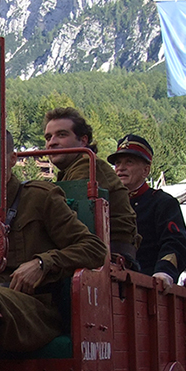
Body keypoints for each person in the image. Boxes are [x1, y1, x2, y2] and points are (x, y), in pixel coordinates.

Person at [0, 126, 107, 371]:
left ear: (12, 159)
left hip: (33, 309)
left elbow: (94, 248)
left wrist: (43, 262)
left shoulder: (38, 198)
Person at [43, 107, 139, 266]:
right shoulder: (72, 169)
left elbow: (65, 216)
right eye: (48, 137)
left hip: (105, 259)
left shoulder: (88, 166)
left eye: (61, 135)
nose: (52, 142)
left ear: (83, 140)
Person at [108, 134, 186, 284]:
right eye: (118, 163)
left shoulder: (162, 203)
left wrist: (164, 271)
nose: (121, 168)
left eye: (129, 162)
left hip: (147, 287)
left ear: (146, 171)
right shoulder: (108, 203)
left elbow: (176, 244)